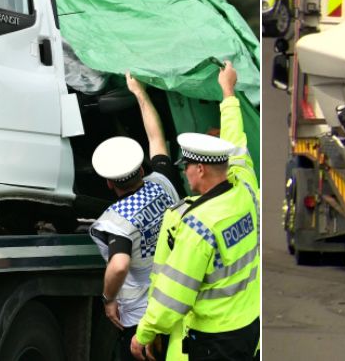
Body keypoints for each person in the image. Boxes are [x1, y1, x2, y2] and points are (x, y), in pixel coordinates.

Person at [132, 61, 260, 361]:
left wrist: (145, 334)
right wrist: (227, 91)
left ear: (200, 169)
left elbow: (173, 296)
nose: (184, 173)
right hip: (248, 327)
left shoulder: (198, 226)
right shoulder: (247, 187)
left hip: (210, 340)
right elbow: (235, 138)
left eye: (186, 166)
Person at [88, 72, 185, 361]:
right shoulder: (163, 182)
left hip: (142, 318)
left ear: (108, 183)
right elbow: (157, 138)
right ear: (142, 170)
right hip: (175, 302)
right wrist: (139, 93)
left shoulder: (116, 220)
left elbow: (119, 265)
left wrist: (108, 300)